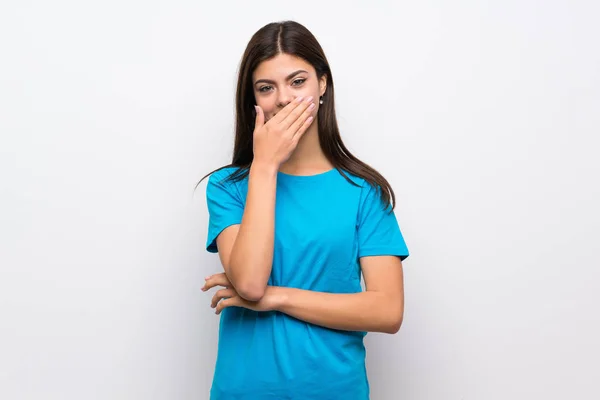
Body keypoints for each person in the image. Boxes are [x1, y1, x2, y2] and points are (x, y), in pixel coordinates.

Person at [199, 20, 409, 400]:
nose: (282, 99)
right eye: (266, 88)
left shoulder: (363, 191)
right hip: (243, 390)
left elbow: (387, 309)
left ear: (322, 84)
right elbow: (247, 282)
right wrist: (264, 166)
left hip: (334, 390)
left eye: (297, 81)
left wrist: (276, 297)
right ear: (254, 100)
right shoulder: (227, 188)